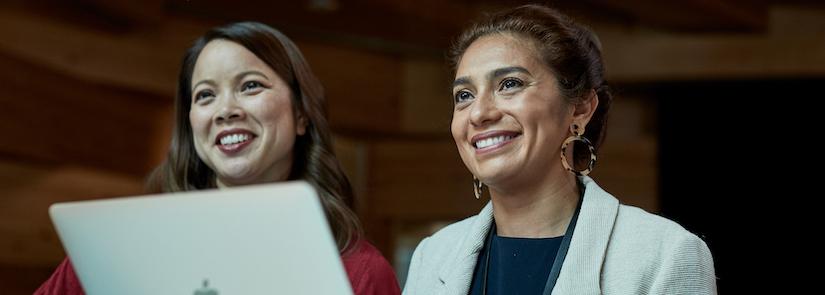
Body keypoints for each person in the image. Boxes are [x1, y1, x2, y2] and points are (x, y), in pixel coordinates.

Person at [35, 22, 401, 295]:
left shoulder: (360, 272)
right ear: (191, 123)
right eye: (205, 95)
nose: (225, 110)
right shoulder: (116, 248)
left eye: (250, 86)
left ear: (302, 114)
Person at [403, 5, 716, 295]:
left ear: (580, 108)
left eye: (510, 84)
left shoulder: (665, 254)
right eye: (464, 95)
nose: (478, 113)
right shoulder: (432, 256)